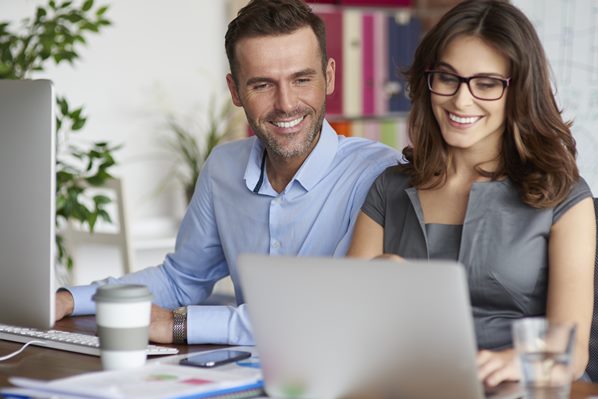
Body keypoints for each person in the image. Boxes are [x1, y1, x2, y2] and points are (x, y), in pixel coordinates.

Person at [54, 0, 400, 346]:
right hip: (237, 375)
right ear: (235, 91)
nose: (286, 104)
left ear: (328, 77)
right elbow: (181, 279)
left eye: (301, 79)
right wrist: (70, 299)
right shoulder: (223, 167)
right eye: (262, 85)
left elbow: (328, 313)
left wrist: (180, 325)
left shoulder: (378, 174)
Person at [348, 0, 595, 389]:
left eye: (487, 83)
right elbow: (345, 324)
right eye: (447, 78)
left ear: (518, 92)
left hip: (521, 389)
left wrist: (519, 362)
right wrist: (370, 285)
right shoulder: (389, 188)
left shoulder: (564, 196)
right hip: (408, 384)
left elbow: (571, 350)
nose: (461, 100)